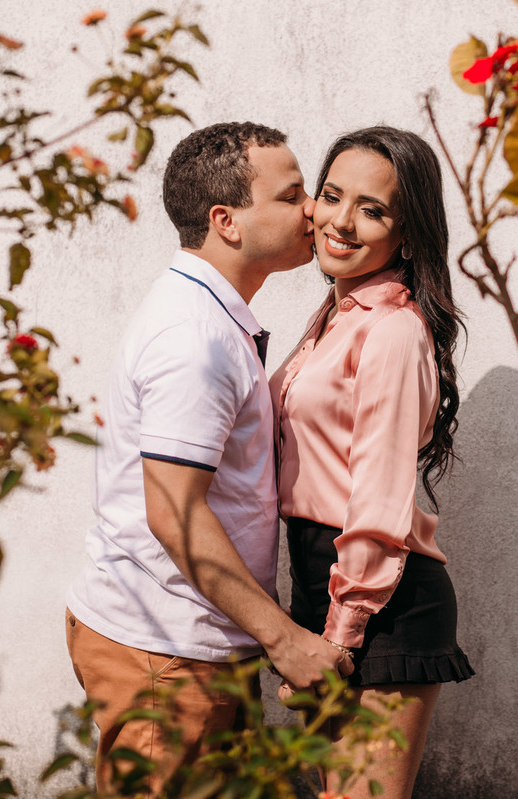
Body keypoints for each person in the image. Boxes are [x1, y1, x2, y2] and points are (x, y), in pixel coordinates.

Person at [65, 121, 353, 795]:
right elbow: (175, 513)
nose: (313, 210)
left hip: (186, 642)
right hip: (166, 656)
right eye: (292, 195)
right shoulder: (195, 338)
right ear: (226, 221)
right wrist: (284, 639)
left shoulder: (209, 317)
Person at [270, 126, 474, 799]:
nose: (341, 221)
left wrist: (341, 634)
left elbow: (381, 501)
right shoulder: (332, 317)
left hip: (378, 600)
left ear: (407, 233)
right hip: (323, 582)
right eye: (331, 196)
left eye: (373, 209)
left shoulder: (392, 329)